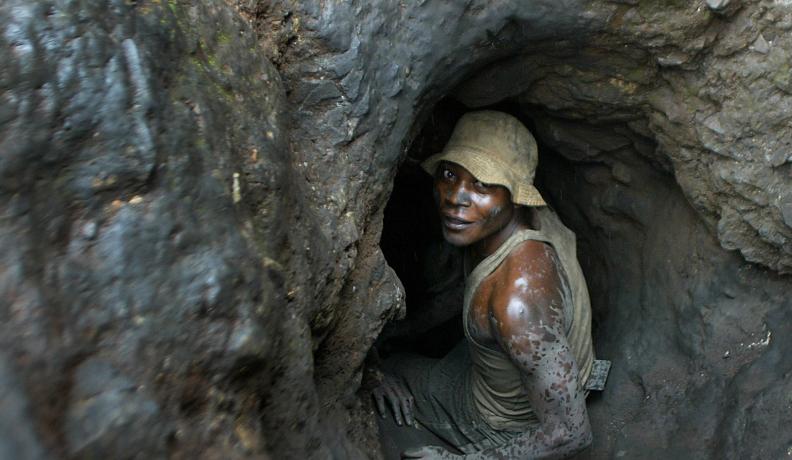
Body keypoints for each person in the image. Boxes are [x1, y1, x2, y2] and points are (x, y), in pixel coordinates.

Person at [373, 111, 597, 459]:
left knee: (389, 369)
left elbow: (571, 432)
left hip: (505, 424)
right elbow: (473, 292)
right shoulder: (522, 223)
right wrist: (401, 330)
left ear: (515, 196)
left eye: (483, 184)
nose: (455, 197)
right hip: (527, 369)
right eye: (449, 175)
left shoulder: (518, 302)